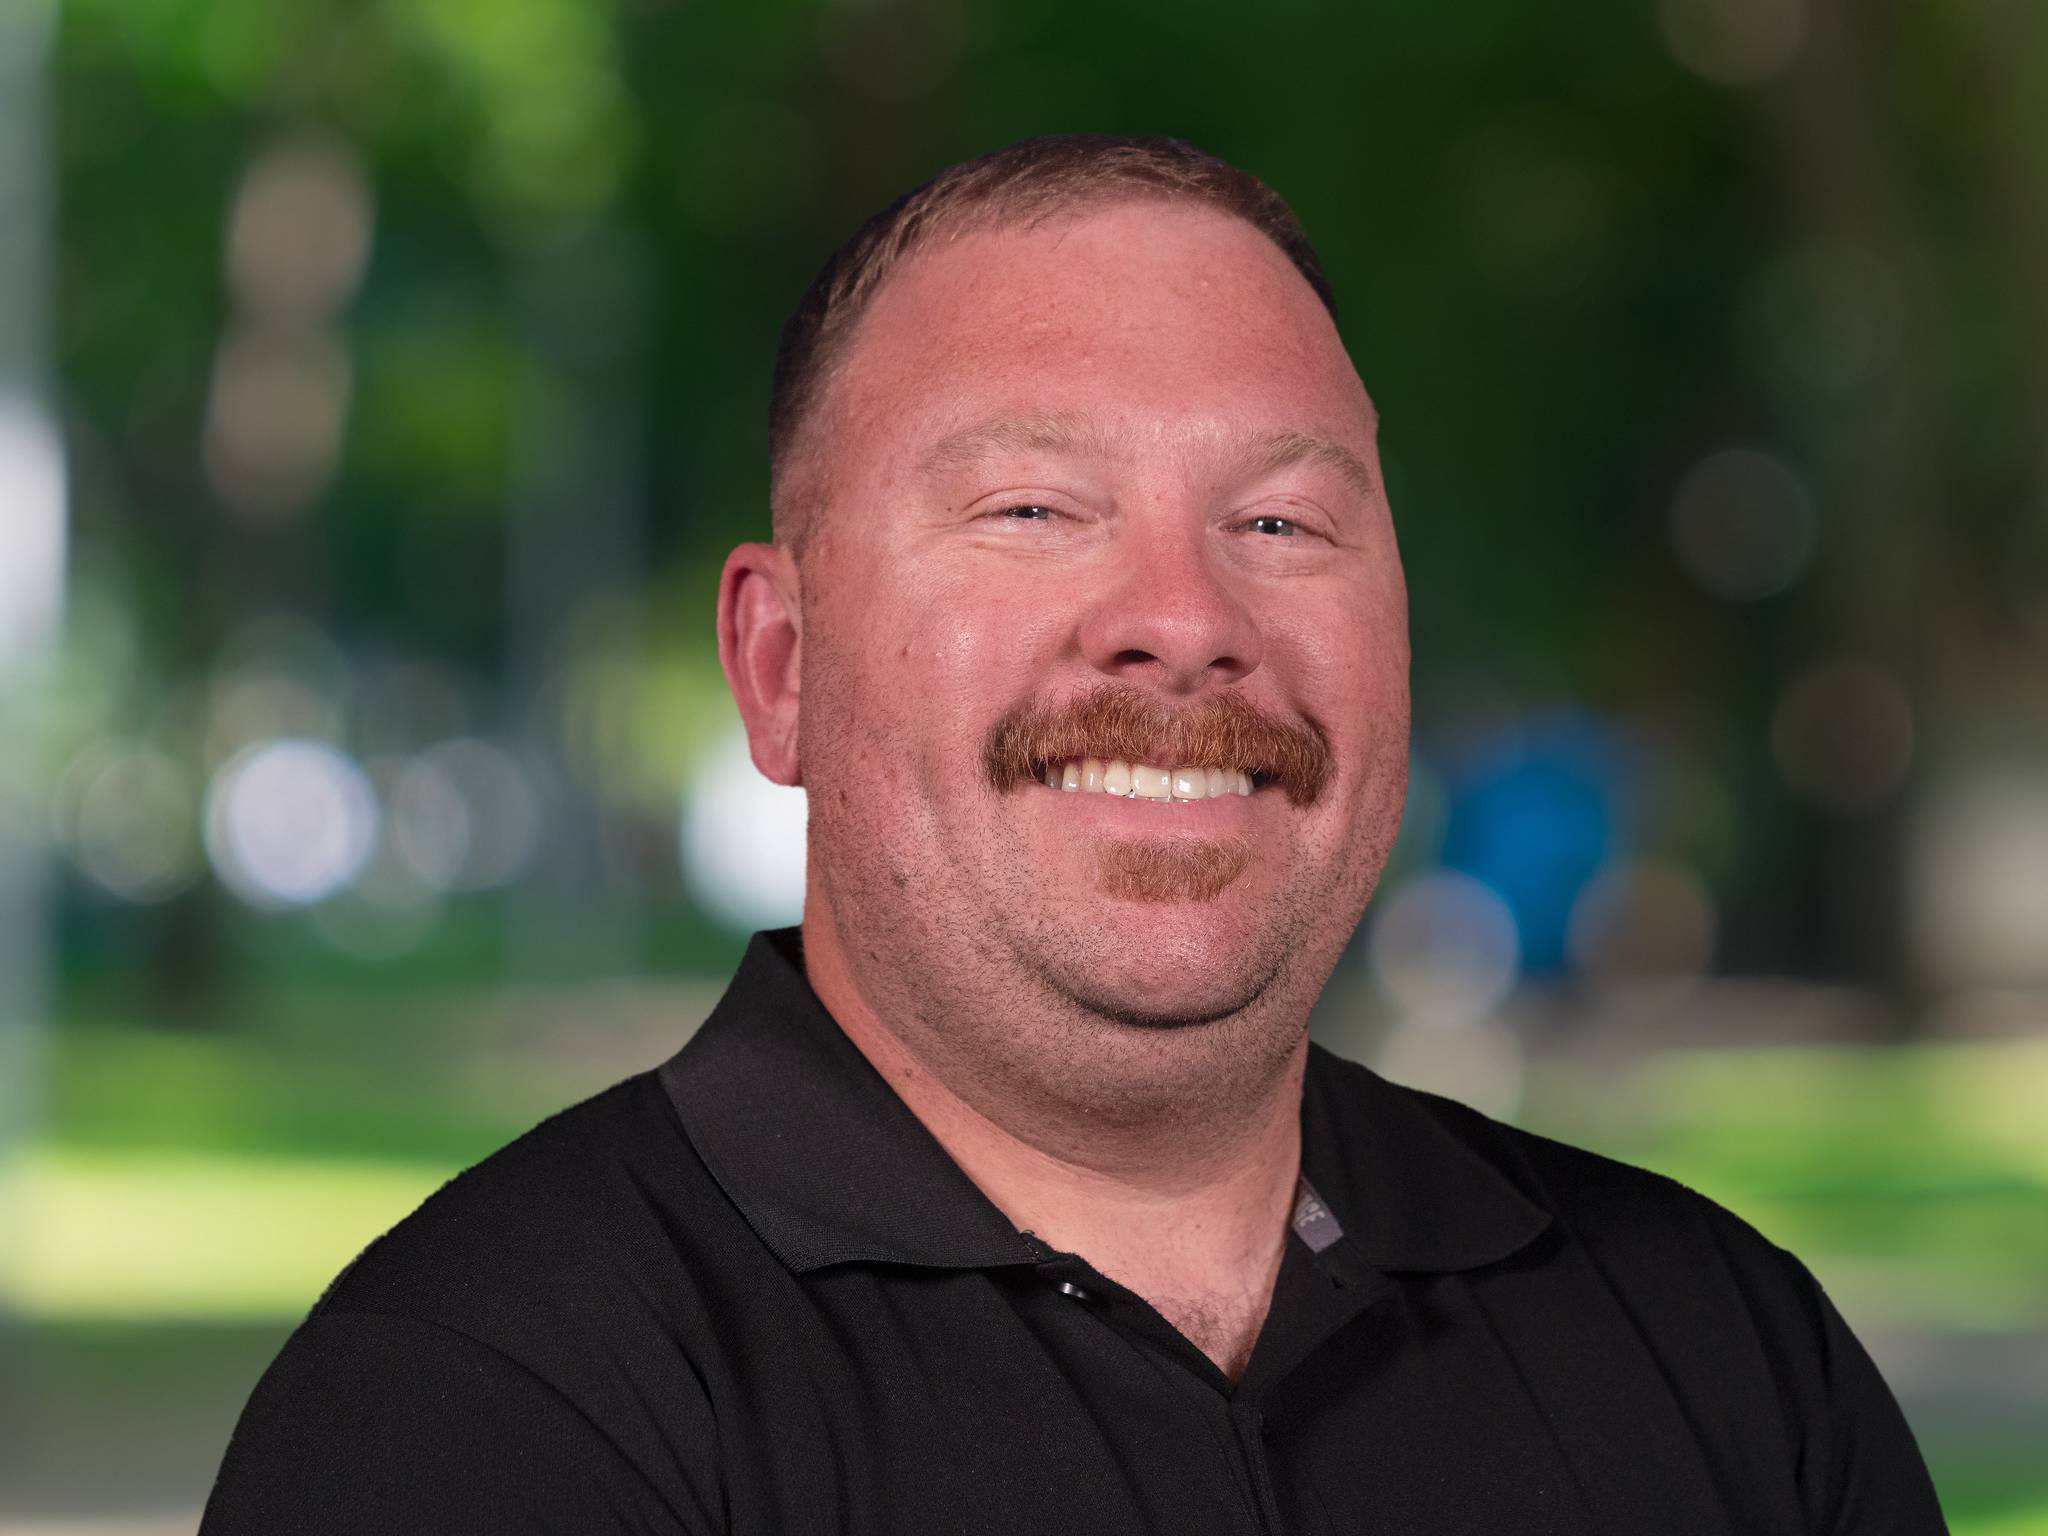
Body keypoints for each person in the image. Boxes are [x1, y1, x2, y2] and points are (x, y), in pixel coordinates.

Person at [201, 134, 1947, 1534]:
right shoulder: (477, 1413)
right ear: (782, 667)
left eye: (1279, 518)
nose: (1183, 618)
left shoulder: (1728, 1360)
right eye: (1034, 508)